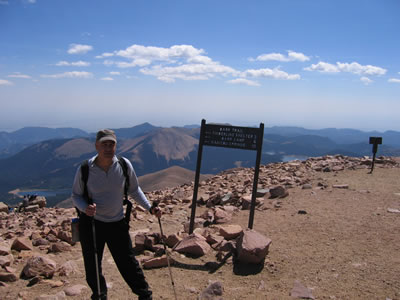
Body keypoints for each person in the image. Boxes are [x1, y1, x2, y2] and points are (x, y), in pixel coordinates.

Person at [71, 129, 161, 300]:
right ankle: (99, 295)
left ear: (115, 145)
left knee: (128, 262)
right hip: (92, 224)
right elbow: (75, 195)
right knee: (92, 265)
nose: (108, 147)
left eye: (111, 144)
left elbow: (134, 190)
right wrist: (85, 208)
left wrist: (150, 208)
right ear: (96, 146)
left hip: (117, 222)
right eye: (104, 144)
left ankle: (144, 294)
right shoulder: (85, 168)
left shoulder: (124, 165)